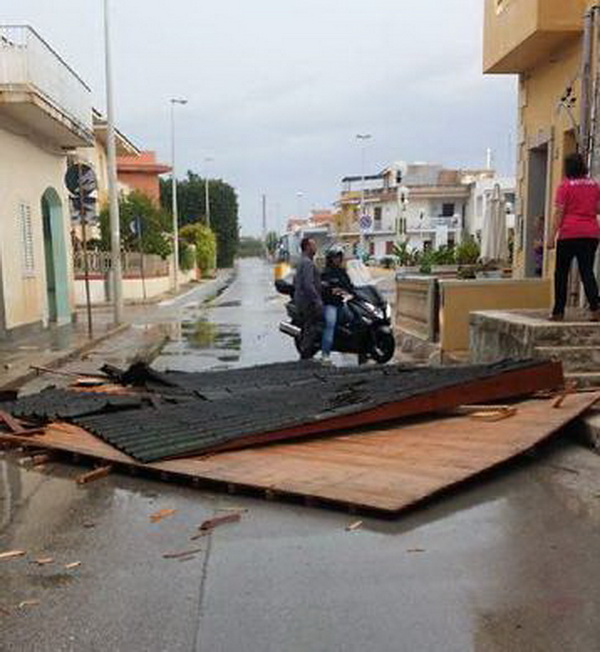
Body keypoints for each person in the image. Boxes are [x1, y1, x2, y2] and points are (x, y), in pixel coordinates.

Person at [548, 153, 600, 321]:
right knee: (587, 272)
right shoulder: (594, 185)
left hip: (569, 234)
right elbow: (598, 208)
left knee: (561, 273)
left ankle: (558, 311)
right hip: (591, 233)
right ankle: (595, 308)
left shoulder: (565, 186)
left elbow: (559, 213)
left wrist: (551, 236)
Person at [320, 245, 354, 362]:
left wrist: (350, 290)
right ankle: (325, 355)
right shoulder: (325, 273)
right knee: (330, 325)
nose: (337, 259)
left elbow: (349, 285)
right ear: (330, 258)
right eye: (335, 257)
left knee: (355, 318)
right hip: (330, 304)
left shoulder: (342, 272)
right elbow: (322, 287)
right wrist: (331, 289)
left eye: (339, 257)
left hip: (341, 304)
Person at [294, 237, 322, 358]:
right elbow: (308, 285)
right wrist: (317, 300)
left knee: (308, 328)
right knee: (310, 329)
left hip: (302, 300)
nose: (315, 247)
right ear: (307, 247)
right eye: (313, 245)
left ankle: (306, 354)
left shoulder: (302, 261)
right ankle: (305, 356)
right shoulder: (307, 263)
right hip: (308, 302)